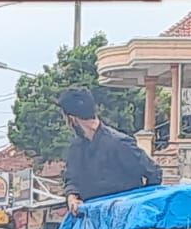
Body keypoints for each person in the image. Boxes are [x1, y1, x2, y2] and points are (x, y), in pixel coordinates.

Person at [58, 87, 163, 216]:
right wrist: (72, 197)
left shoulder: (119, 143)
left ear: (71, 119)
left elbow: (154, 173)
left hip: (124, 222)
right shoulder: (76, 147)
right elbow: (72, 179)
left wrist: (138, 207)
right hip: (91, 222)